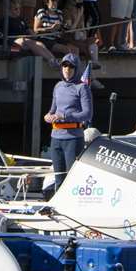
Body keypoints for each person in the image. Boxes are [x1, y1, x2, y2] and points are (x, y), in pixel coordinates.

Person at [44, 52, 93, 190]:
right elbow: (53, 110)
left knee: (72, 178)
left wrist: (64, 116)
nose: (67, 69)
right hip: (56, 137)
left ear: (76, 69)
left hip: (73, 139)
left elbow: (87, 114)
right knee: (58, 177)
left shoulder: (82, 88)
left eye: (71, 67)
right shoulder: (58, 86)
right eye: (64, 66)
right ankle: (56, 207)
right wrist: (48, 116)